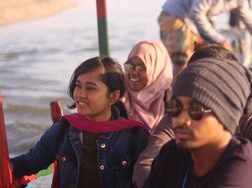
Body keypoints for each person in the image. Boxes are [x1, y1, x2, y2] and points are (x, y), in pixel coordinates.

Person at [133, 44, 252, 188]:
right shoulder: (172, 150)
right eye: (175, 107)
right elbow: (147, 162)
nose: (182, 119)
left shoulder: (242, 165)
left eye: (196, 109)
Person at [10, 56, 149, 188]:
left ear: (113, 96)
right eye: (78, 86)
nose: (80, 94)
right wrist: (9, 165)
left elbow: (148, 179)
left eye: (90, 88)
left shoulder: (134, 135)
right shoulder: (63, 128)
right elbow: (30, 162)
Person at [122, 40, 173, 130]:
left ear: (156, 70)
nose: (133, 72)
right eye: (129, 66)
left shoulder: (172, 102)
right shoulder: (118, 99)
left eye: (141, 67)